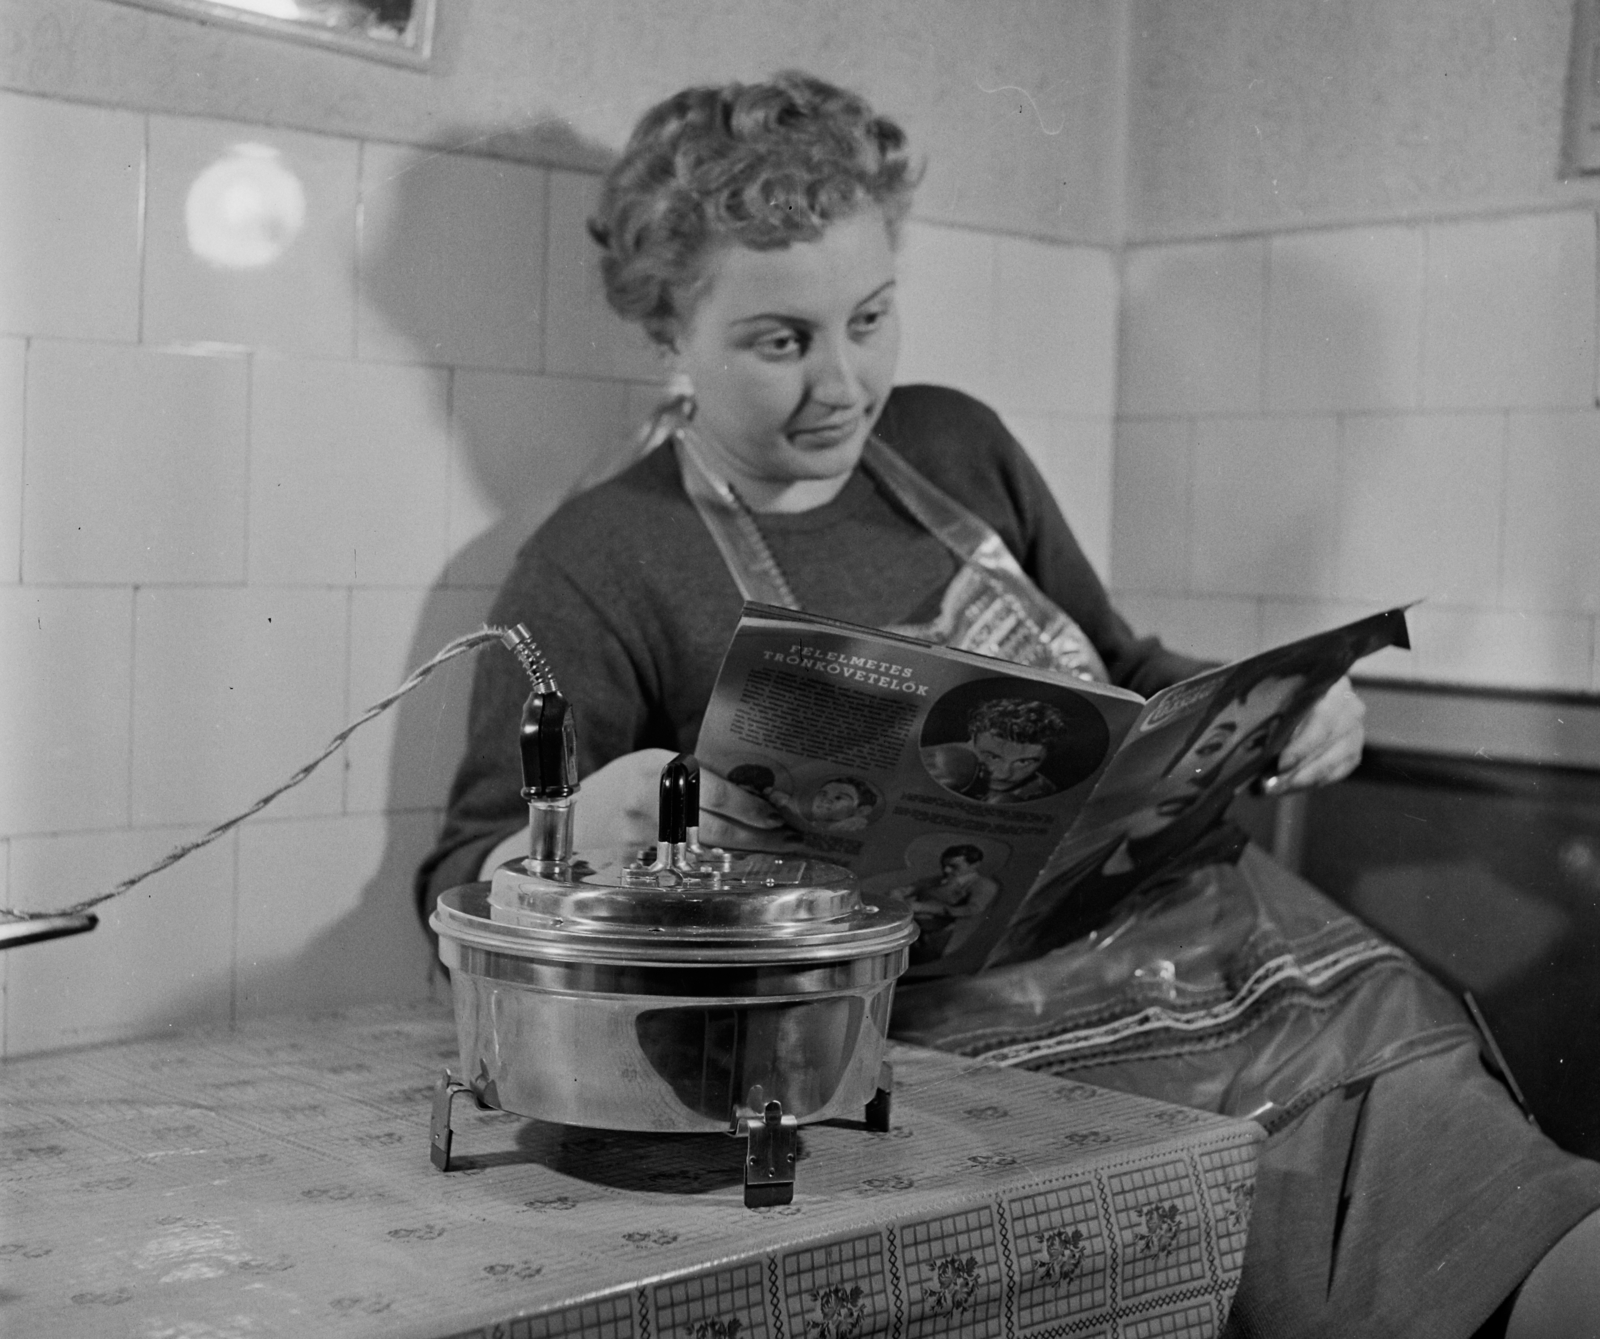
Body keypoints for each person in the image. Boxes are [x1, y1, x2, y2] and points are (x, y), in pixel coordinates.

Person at [418, 72, 1600, 1337]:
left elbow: (1126, 669)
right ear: (669, 330)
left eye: (870, 318)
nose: (842, 382)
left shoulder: (956, 447)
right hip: (928, 1038)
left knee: (1495, 1201)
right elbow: (457, 893)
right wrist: (590, 823)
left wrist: (1288, 716)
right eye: (781, 341)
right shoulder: (600, 559)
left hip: (1229, 952)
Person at [921, 695, 1072, 805]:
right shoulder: (934, 760)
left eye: (1024, 762)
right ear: (972, 740)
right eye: (993, 757)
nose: (1004, 774)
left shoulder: (1044, 793)